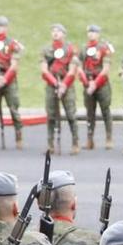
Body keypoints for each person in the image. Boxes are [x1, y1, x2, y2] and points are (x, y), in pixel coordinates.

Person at [40, 23, 82, 156]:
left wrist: (63, 85)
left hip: (67, 85)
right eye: (53, 31)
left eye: (58, 31)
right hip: (52, 84)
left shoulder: (71, 49)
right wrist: (55, 84)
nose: (55, 33)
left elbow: (72, 69)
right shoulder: (46, 50)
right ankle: (50, 144)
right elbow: (44, 70)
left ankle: (75, 143)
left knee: (71, 115)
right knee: (51, 116)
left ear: (64, 34)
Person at [0, 16, 23, 150]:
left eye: (2, 26)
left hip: (9, 78)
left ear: (6, 28)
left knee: (14, 108)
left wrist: (4, 80)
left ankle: (18, 135)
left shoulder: (12, 44)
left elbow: (14, 65)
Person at [80, 24, 115, 151]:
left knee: (105, 110)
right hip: (88, 83)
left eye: (94, 32)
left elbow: (105, 69)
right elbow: (79, 67)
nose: (91, 34)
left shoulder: (104, 48)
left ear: (98, 34)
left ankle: (109, 138)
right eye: (89, 32)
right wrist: (86, 82)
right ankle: (90, 139)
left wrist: (95, 84)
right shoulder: (84, 49)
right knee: (90, 113)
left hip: (101, 84)